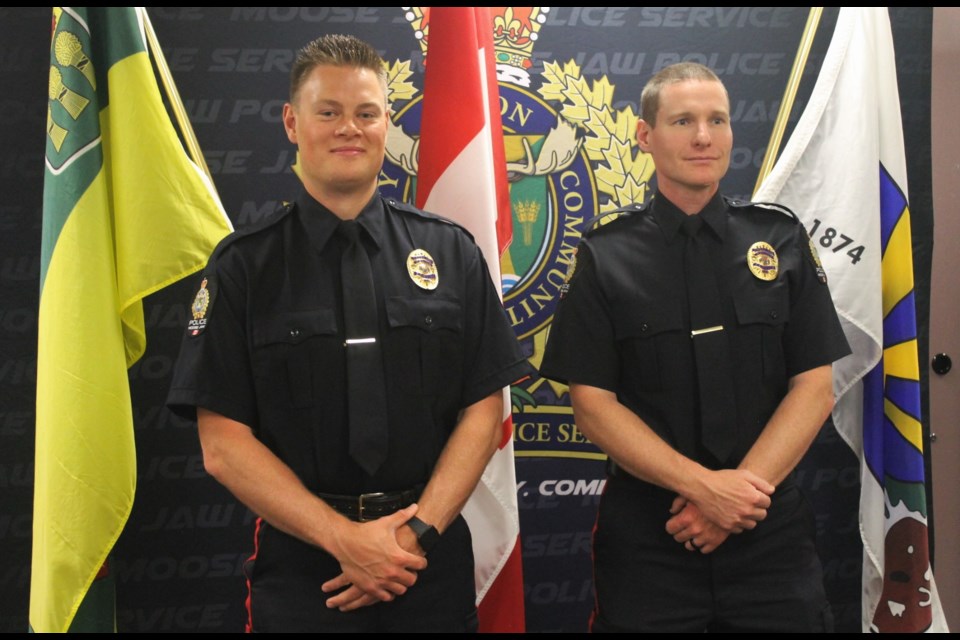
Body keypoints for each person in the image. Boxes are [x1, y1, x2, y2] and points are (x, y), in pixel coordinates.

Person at [166, 34, 529, 633]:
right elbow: (223, 444)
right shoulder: (243, 268)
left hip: (426, 563)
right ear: (292, 121)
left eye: (366, 113)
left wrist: (410, 540)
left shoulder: (450, 251)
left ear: (388, 123)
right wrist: (343, 539)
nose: (349, 129)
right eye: (328, 112)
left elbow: (484, 411)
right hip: (306, 568)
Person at [539, 62, 851, 632]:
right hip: (653, 540)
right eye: (683, 121)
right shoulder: (605, 256)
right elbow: (593, 405)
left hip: (768, 535)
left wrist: (735, 503)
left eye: (718, 120)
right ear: (644, 135)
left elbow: (814, 386)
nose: (704, 137)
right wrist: (705, 490)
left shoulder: (778, 239)